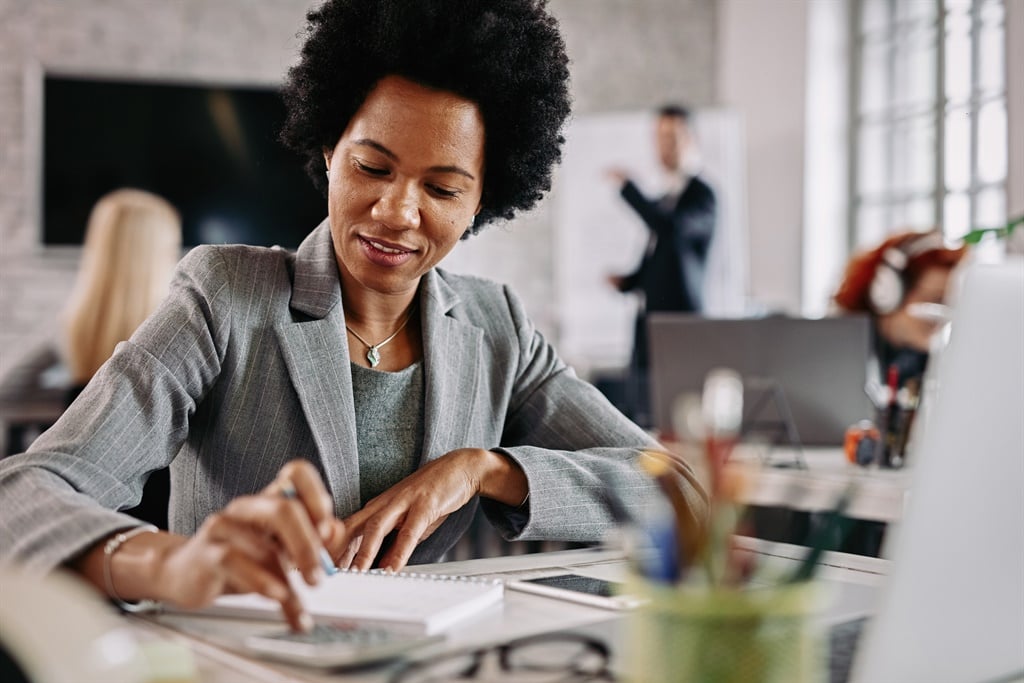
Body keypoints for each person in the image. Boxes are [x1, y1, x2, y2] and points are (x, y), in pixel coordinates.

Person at [0, 0, 707, 634]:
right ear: (330, 149)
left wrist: (484, 469)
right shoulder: (224, 298)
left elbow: (677, 492)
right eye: (373, 167)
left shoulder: (499, 330)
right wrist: (172, 562)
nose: (398, 211)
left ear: (482, 200)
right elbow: (22, 496)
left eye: (441, 186)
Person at [606, 104, 716, 426]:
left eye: (672, 136)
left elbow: (670, 228)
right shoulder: (667, 196)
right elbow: (662, 256)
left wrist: (629, 189)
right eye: (659, 137)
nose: (664, 145)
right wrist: (629, 282)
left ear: (692, 139)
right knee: (643, 411)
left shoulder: (702, 195)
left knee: (675, 417)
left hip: (680, 327)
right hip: (649, 322)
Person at [833, 229, 967, 387]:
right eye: (934, 299)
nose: (941, 312)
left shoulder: (935, 364)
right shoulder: (837, 354)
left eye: (949, 303)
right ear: (887, 294)